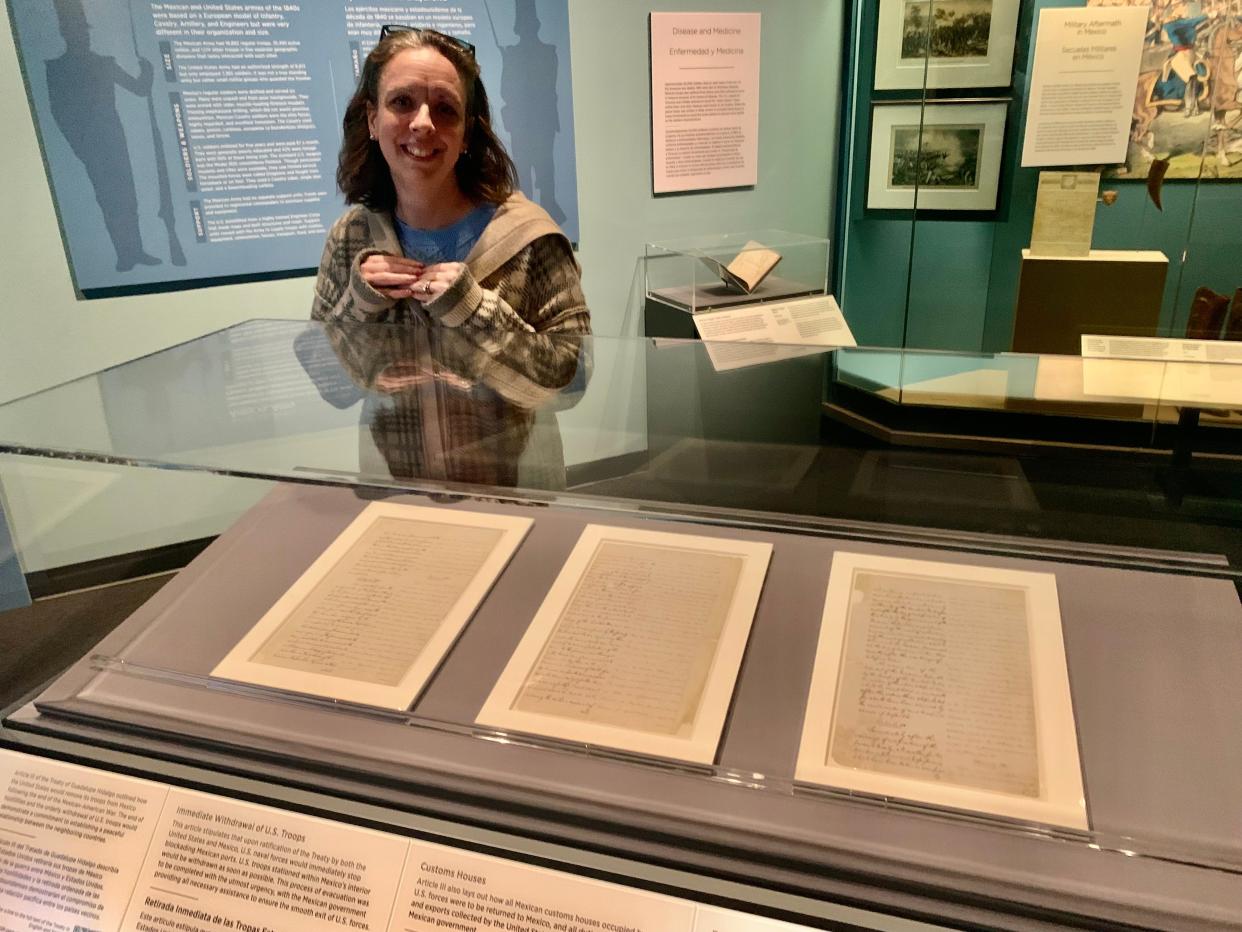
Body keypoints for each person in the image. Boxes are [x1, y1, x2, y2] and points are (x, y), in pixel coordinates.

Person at [312, 26, 589, 340]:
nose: (423, 124)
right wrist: (358, 303)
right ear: (373, 120)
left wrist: (477, 310)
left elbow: (575, 373)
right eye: (402, 102)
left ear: (467, 133)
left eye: (446, 109)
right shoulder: (350, 237)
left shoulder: (530, 242)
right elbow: (322, 371)